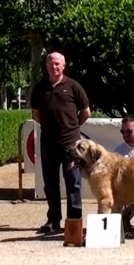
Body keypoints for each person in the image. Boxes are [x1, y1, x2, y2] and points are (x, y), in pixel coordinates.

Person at [30, 51, 91, 234]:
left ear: (64, 66)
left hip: (71, 144)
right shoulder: (39, 88)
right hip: (48, 142)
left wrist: (72, 128)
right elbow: (35, 115)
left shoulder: (74, 87)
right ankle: (53, 220)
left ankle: (74, 220)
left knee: (73, 182)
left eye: (57, 63)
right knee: (50, 183)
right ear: (46, 66)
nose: (54, 66)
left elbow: (86, 112)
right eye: (51, 63)